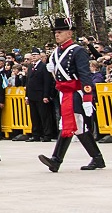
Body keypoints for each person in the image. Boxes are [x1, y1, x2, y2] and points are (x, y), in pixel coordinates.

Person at [38, 15, 105, 172]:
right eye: (55, 32)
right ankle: (97, 158)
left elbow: (85, 75)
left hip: (76, 92)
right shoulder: (56, 53)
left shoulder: (78, 50)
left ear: (69, 33)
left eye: (60, 32)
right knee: (76, 126)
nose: (57, 35)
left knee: (72, 123)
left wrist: (88, 98)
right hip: (64, 93)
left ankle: (56, 159)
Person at [24, 48, 55, 142]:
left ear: (40, 56)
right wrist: (27, 96)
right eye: (32, 55)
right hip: (32, 95)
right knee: (34, 116)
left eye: (36, 55)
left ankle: (47, 134)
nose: (34, 57)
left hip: (41, 94)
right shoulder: (30, 67)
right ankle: (36, 134)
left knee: (44, 116)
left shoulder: (43, 66)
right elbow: (28, 82)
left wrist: (46, 95)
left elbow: (47, 82)